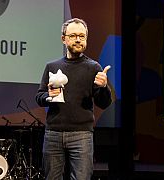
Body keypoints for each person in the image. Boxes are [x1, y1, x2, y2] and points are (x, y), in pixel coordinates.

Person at [35, 18, 112, 180]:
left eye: (82, 36)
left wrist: (104, 87)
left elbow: (103, 103)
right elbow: (39, 96)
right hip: (53, 134)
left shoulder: (94, 67)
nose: (78, 39)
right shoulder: (52, 66)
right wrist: (49, 96)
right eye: (74, 35)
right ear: (64, 39)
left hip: (82, 135)